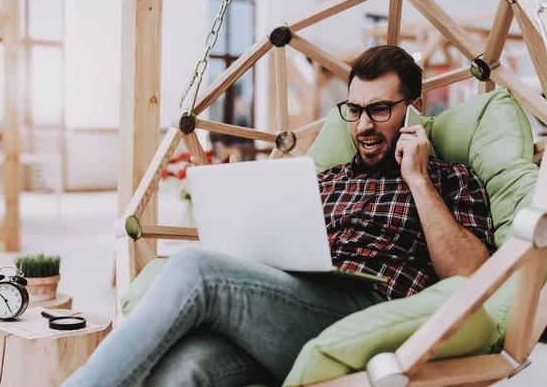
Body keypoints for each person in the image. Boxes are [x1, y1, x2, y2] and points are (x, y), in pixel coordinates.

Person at [63, 45, 497, 387]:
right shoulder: (323, 180)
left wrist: (418, 180)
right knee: (187, 370)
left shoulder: (450, 180)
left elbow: (471, 274)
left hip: (369, 313)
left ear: (413, 108)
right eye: (355, 110)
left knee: (196, 268)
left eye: (380, 110)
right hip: (293, 306)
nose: (364, 125)